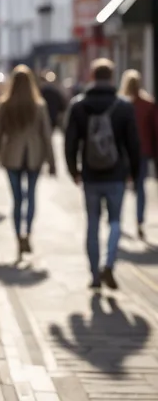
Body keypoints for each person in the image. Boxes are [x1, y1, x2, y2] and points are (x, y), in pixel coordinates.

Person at [64, 58, 140, 290]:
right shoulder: (124, 106)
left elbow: (70, 142)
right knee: (116, 221)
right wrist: (133, 173)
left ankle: (95, 276)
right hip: (116, 175)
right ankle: (109, 264)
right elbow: (133, 144)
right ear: (112, 77)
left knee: (93, 224)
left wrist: (73, 171)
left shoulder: (79, 105)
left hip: (90, 175)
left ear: (93, 77)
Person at [0, 65, 55, 260]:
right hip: (34, 156)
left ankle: (19, 236)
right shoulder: (39, 105)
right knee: (31, 197)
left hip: (12, 157)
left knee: (17, 200)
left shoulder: (5, 104)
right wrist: (52, 162)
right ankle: (28, 234)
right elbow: (46, 135)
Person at [119, 69, 157, 240]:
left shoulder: (120, 104)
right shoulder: (148, 104)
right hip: (143, 151)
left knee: (119, 187)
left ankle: (116, 220)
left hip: (124, 152)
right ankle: (139, 222)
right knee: (140, 188)